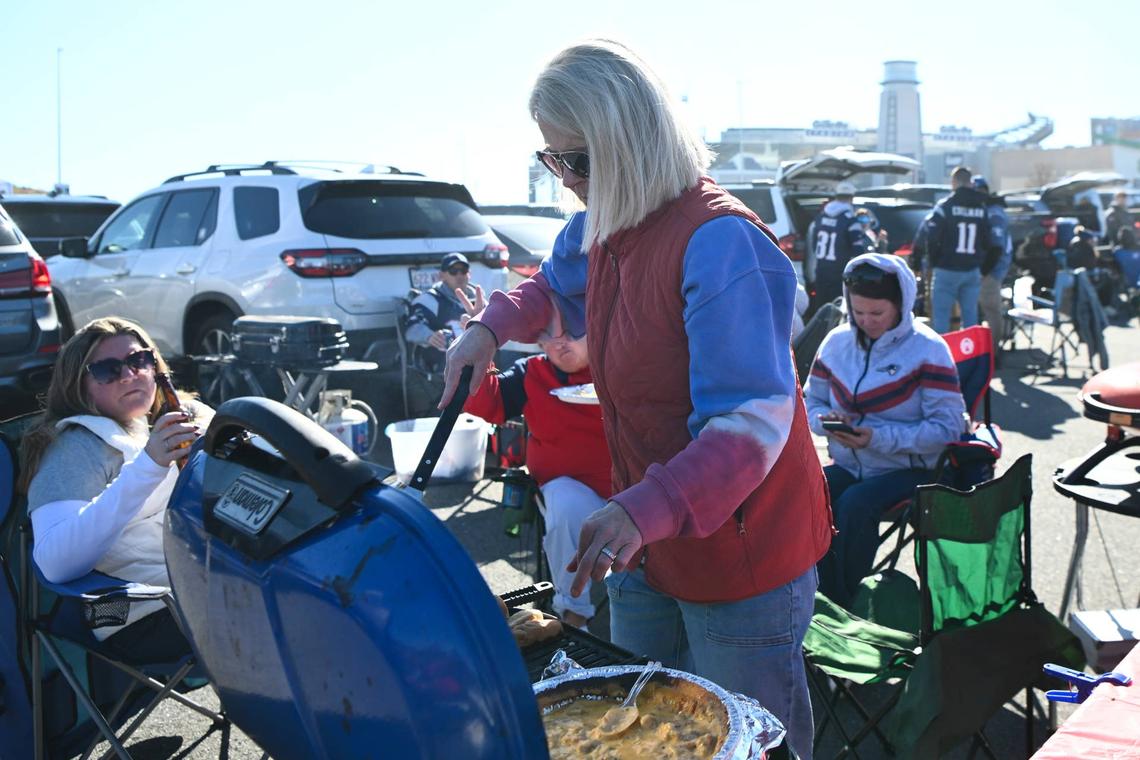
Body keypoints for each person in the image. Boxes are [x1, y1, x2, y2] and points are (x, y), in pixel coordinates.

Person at [440, 39, 833, 759]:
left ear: (633, 140)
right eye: (552, 159)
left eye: (578, 161)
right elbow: (550, 287)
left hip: (737, 551)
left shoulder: (722, 243)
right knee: (640, 730)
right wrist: (488, 332)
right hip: (648, 534)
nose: (567, 180)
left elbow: (749, 423)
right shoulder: (602, 221)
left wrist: (642, 507)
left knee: (745, 742)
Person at [19, 317, 208, 662]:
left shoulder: (182, 414)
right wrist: (149, 467)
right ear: (79, 386)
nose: (129, 375)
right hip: (141, 612)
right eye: (107, 370)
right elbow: (55, 563)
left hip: (215, 580)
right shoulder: (76, 446)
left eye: (139, 361)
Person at [806, 255, 965, 606]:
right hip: (850, 461)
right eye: (858, 312)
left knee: (853, 505)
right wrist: (825, 422)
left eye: (877, 313)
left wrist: (877, 437)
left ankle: (847, 603)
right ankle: (813, 597)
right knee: (807, 493)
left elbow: (949, 427)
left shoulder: (929, 349)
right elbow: (809, 401)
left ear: (902, 303)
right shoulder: (836, 342)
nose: (866, 321)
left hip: (911, 468)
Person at [463, 305, 611, 629]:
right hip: (569, 484)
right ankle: (573, 615)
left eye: (572, 331)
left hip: (631, 486)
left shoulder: (619, 365)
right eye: (548, 335)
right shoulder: (531, 372)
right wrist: (476, 350)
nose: (560, 342)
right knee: (567, 505)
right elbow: (487, 403)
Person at [918, 166, 996, 333]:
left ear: (954, 182)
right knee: (970, 319)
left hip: (946, 268)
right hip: (971, 269)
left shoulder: (945, 206)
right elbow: (988, 242)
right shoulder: (981, 208)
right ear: (970, 183)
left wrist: (934, 262)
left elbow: (931, 237)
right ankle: (970, 357)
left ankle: (942, 358)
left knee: (941, 319)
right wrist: (981, 266)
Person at [403, 252, 482, 372]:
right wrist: (429, 336)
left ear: (469, 274)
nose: (459, 275)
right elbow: (412, 328)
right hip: (443, 371)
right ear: (441, 275)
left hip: (478, 364)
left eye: (463, 270)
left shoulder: (480, 300)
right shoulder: (429, 299)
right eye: (453, 271)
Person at [806, 182, 867, 309]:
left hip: (821, 271)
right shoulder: (850, 220)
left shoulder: (820, 217)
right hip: (839, 273)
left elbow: (814, 244)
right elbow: (858, 251)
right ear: (851, 198)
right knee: (838, 310)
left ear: (836, 196)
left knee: (822, 310)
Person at [972, 176, 1013, 360]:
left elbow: (996, 247)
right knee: (986, 310)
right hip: (990, 269)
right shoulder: (985, 210)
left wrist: (983, 271)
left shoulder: (993, 212)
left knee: (991, 310)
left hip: (991, 271)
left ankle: (993, 354)